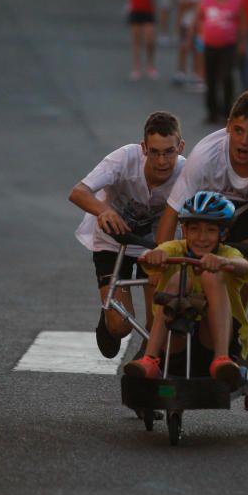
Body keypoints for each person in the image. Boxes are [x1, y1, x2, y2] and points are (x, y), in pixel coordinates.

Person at [155, 90, 248, 369]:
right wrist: (163, 260)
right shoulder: (206, 154)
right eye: (239, 130)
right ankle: (159, 350)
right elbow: (172, 214)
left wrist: (241, 262)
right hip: (209, 212)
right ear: (229, 125)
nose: (244, 141)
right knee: (181, 274)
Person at [68, 111, 186, 358]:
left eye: (169, 152)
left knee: (159, 320)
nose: (162, 161)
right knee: (119, 327)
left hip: (155, 244)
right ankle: (108, 313)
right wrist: (104, 211)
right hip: (113, 240)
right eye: (154, 152)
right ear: (144, 148)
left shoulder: (187, 173)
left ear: (181, 147)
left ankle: (146, 358)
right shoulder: (123, 159)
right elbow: (78, 192)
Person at [123, 191, 248, 388]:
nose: (202, 238)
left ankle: (222, 359)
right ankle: (150, 359)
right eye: (195, 229)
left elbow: (243, 265)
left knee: (210, 275)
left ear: (223, 234)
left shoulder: (228, 253)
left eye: (210, 230)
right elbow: (156, 252)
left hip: (215, 340)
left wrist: (223, 262)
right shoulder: (175, 248)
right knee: (179, 280)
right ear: (184, 231)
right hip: (176, 337)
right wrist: (154, 255)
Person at [197, 0, 246, 123]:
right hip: (210, 44)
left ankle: (227, 110)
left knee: (226, 77)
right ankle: (212, 112)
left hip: (228, 45)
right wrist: (198, 36)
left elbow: (243, 23)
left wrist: (242, 43)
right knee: (210, 78)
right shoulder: (207, 0)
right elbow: (199, 18)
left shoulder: (236, 1)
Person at [122, 0, 159, 80]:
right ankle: (136, 67)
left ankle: (150, 65)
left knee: (150, 39)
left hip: (148, 11)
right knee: (136, 40)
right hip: (136, 10)